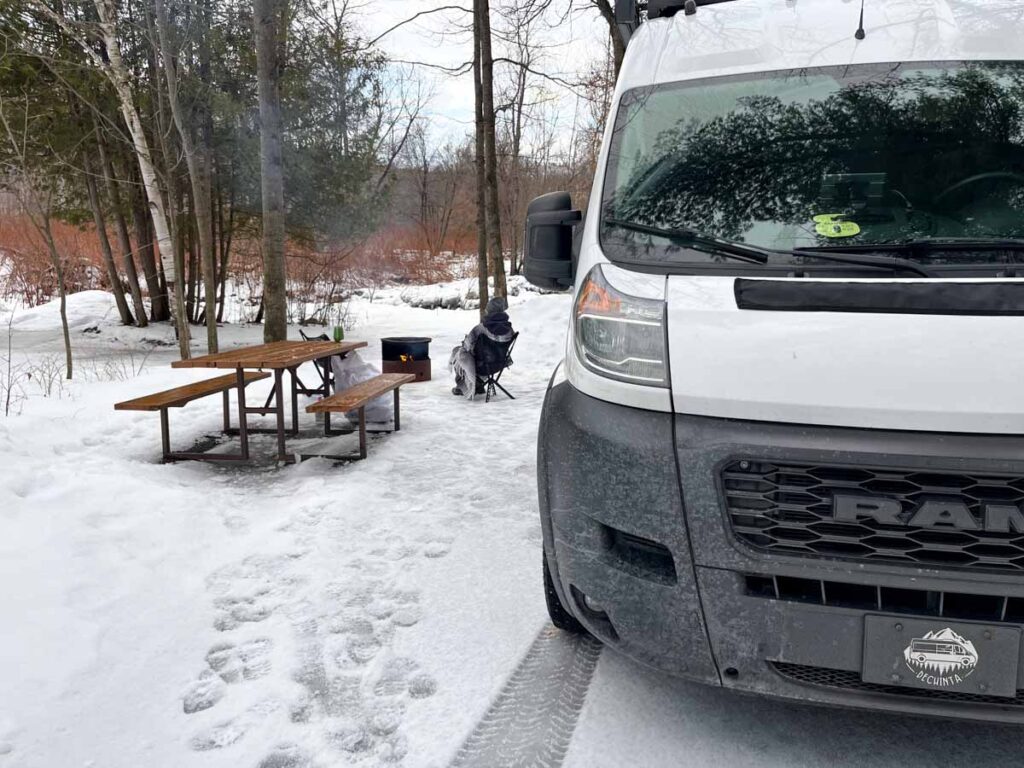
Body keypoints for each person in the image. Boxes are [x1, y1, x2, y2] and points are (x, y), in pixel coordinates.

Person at [449, 296, 514, 398]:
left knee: (458, 352)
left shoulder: (480, 329)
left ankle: (465, 387)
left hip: (481, 366)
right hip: (499, 365)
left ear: (490, 311)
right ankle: (479, 384)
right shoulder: (510, 330)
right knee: (476, 354)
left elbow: (466, 346)